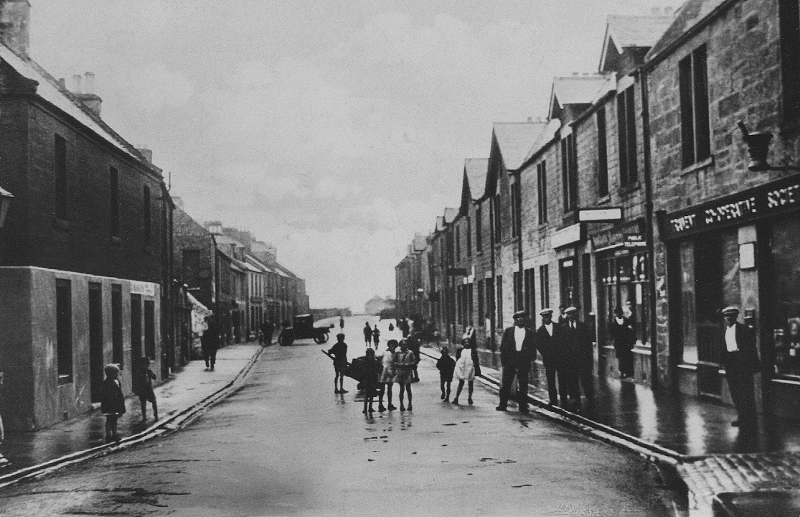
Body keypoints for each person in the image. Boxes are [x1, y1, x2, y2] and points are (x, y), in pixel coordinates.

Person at [720, 306, 760, 428]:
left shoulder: (744, 329)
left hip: (743, 363)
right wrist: (724, 363)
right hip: (731, 363)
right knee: (735, 392)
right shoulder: (724, 331)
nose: (729, 318)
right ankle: (742, 417)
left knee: (746, 391)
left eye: (731, 316)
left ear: (736, 316)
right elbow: (723, 349)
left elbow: (751, 348)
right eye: (727, 316)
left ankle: (751, 419)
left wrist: (751, 364)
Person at [497, 310, 536, 413]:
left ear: (525, 320)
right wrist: (504, 362)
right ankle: (502, 405)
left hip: (523, 360)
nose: (520, 320)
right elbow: (503, 347)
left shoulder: (529, 333)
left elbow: (533, 348)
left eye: (522, 318)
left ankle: (523, 406)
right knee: (506, 384)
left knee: (523, 384)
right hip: (511, 360)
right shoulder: (509, 331)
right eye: (518, 318)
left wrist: (529, 359)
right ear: (515, 320)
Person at [561, 306, 595, 409]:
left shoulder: (583, 327)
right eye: (569, 314)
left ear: (576, 315)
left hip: (582, 358)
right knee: (572, 379)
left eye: (573, 314)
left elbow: (588, 345)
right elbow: (562, 345)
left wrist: (589, 359)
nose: (571, 316)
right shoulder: (564, 328)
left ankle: (589, 396)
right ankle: (576, 398)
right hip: (570, 359)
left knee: (586, 378)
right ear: (567, 316)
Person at [534, 308, 568, 406]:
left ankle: (564, 399)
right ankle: (553, 400)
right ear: (543, 318)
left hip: (560, 357)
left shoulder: (558, 327)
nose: (547, 318)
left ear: (551, 316)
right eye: (545, 317)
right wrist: (545, 353)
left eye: (548, 316)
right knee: (550, 379)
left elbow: (563, 341)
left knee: (562, 378)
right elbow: (538, 344)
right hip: (548, 359)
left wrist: (562, 352)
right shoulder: (540, 331)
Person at [100, 364, 126, 443]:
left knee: (114, 420)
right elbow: (106, 395)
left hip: (116, 403)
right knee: (109, 419)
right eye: (116, 373)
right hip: (109, 404)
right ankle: (108, 435)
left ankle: (114, 434)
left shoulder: (117, 381)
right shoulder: (107, 383)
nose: (117, 374)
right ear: (110, 374)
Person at [609, 307, 636, 380]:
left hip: (626, 343)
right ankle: (622, 371)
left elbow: (630, 331)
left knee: (627, 357)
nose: (619, 314)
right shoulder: (613, 323)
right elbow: (611, 333)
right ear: (615, 314)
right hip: (618, 344)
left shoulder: (627, 321)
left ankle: (627, 372)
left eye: (620, 312)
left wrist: (631, 341)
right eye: (617, 313)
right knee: (621, 358)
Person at [392, 339, 416, 411]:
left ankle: (410, 404)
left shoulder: (410, 353)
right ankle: (401, 404)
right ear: (400, 345)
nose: (404, 346)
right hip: (400, 371)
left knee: (408, 389)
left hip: (408, 371)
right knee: (402, 389)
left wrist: (409, 364)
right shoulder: (397, 353)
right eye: (403, 345)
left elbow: (414, 361)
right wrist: (399, 364)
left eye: (405, 344)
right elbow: (394, 361)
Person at [132, 357, 158, 422]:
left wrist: (151, 375)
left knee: (154, 401)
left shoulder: (149, 371)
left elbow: (154, 377)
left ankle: (156, 415)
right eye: (145, 365)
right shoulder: (138, 372)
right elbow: (135, 381)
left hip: (149, 389)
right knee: (143, 403)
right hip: (142, 390)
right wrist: (136, 389)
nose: (147, 366)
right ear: (141, 365)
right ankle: (144, 417)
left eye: (147, 365)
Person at [378, 340, 398, 411]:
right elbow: (378, 358)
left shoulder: (395, 354)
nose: (392, 347)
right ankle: (380, 404)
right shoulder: (384, 352)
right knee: (382, 389)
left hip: (390, 373)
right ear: (389, 345)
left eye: (394, 346)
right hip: (383, 372)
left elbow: (396, 364)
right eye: (391, 345)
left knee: (390, 389)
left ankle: (390, 404)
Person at [361, 348, 381, 414]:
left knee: (367, 394)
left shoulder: (364, 361)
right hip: (372, 379)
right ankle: (369, 408)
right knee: (370, 394)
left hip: (367, 379)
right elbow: (380, 368)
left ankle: (365, 408)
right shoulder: (374, 362)